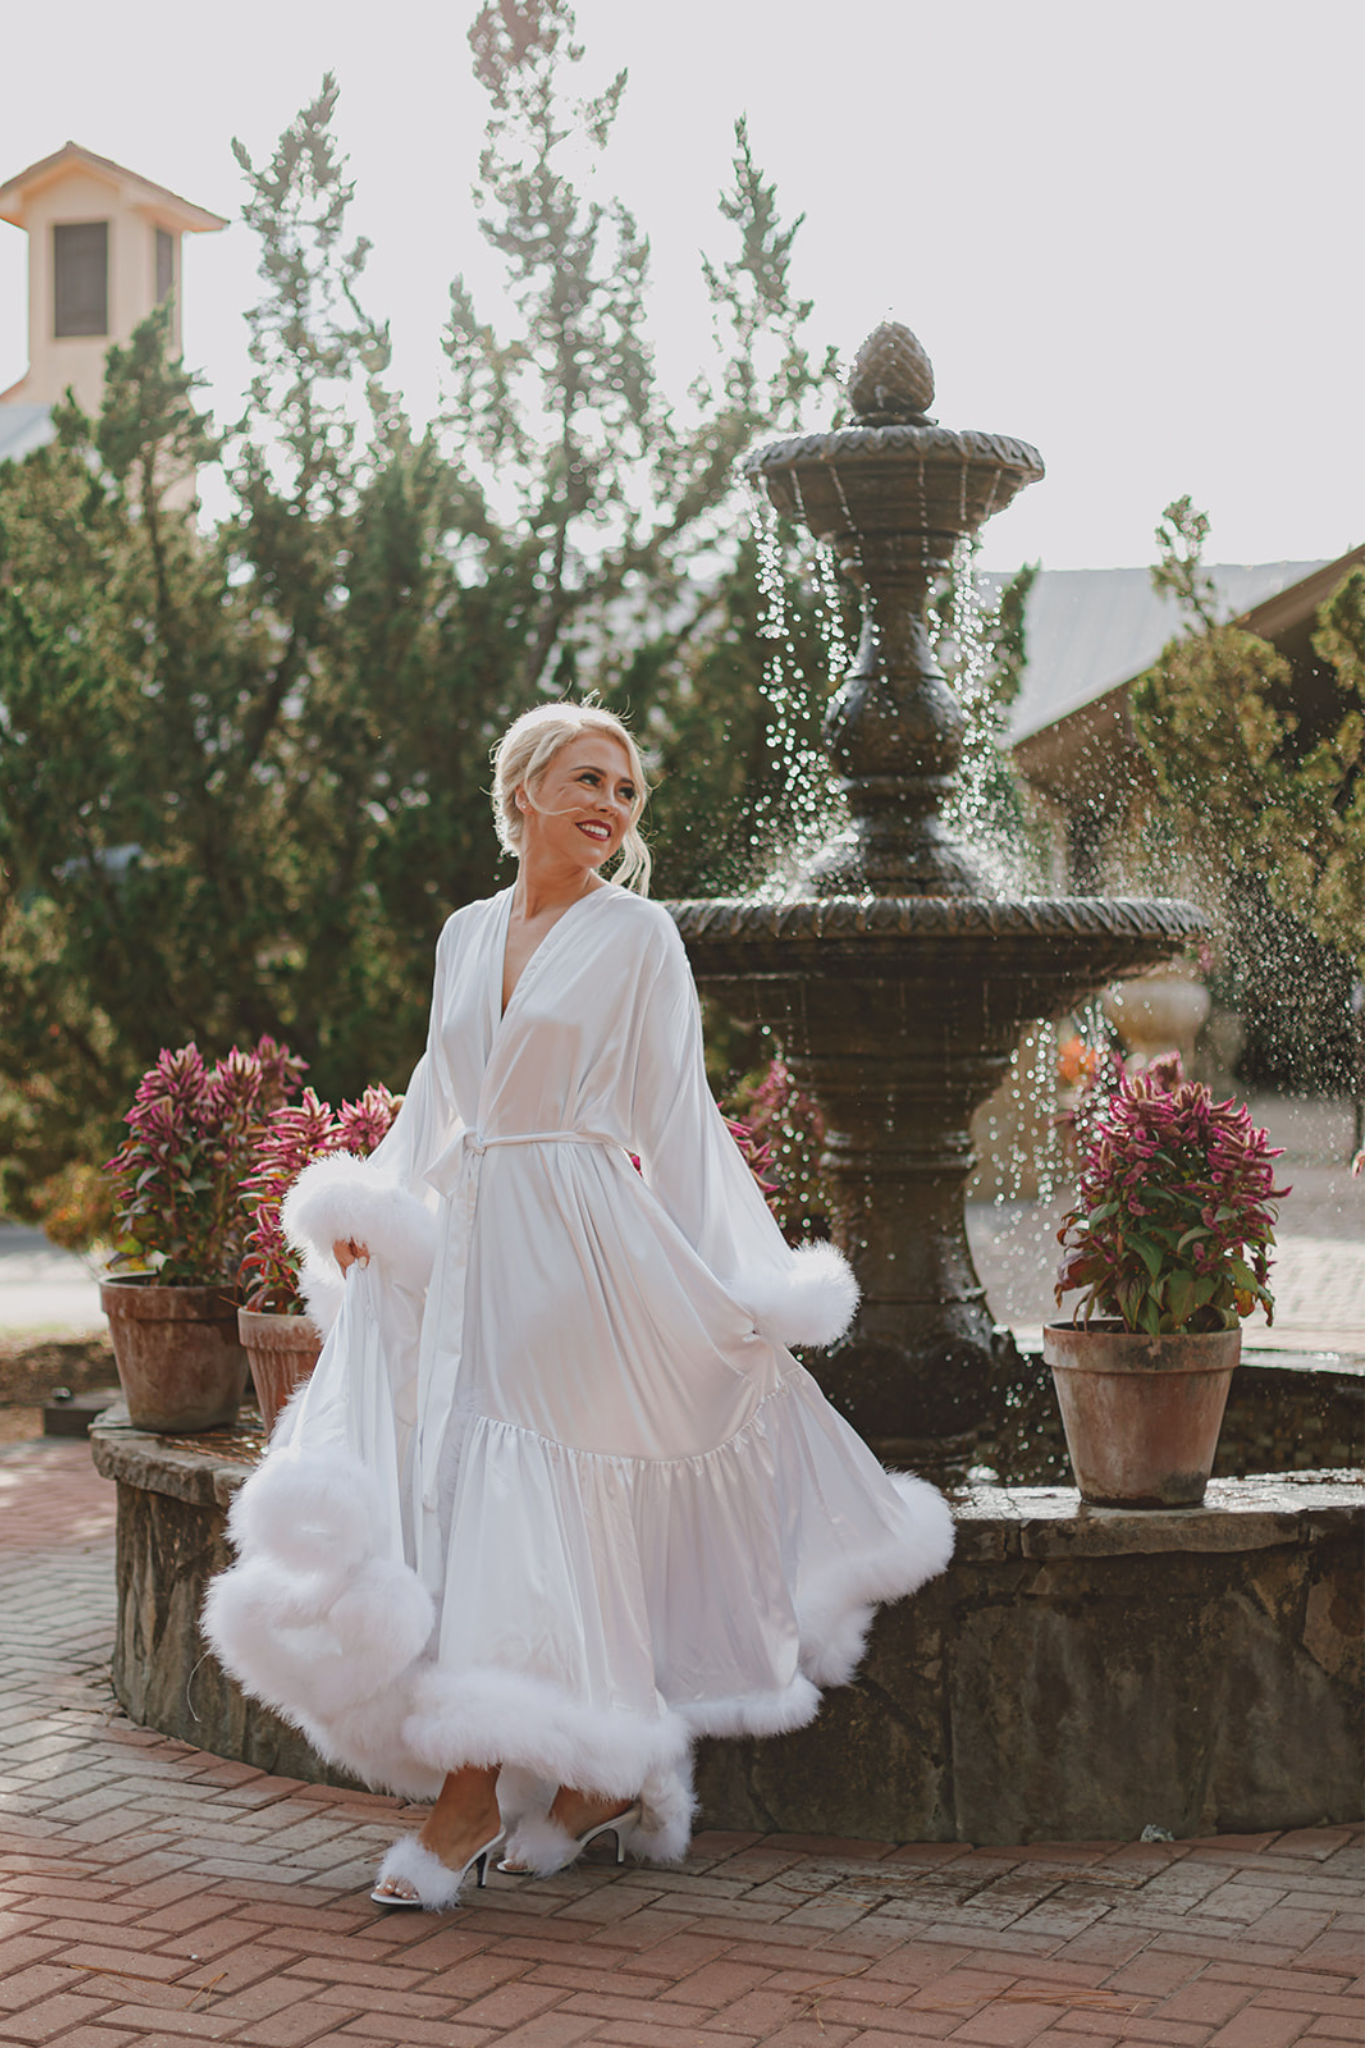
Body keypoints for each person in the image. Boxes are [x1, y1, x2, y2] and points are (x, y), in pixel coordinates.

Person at [204, 701, 954, 1910]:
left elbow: (678, 1118)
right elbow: (441, 1100)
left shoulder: (641, 935)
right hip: (478, 1243)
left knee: (525, 1489)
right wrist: (379, 1200)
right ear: (524, 792)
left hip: (581, 1243)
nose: (611, 805)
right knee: (495, 1496)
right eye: (589, 780)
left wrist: (739, 1280)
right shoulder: (463, 933)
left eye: (629, 791)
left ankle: (467, 1799)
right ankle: (604, 1775)